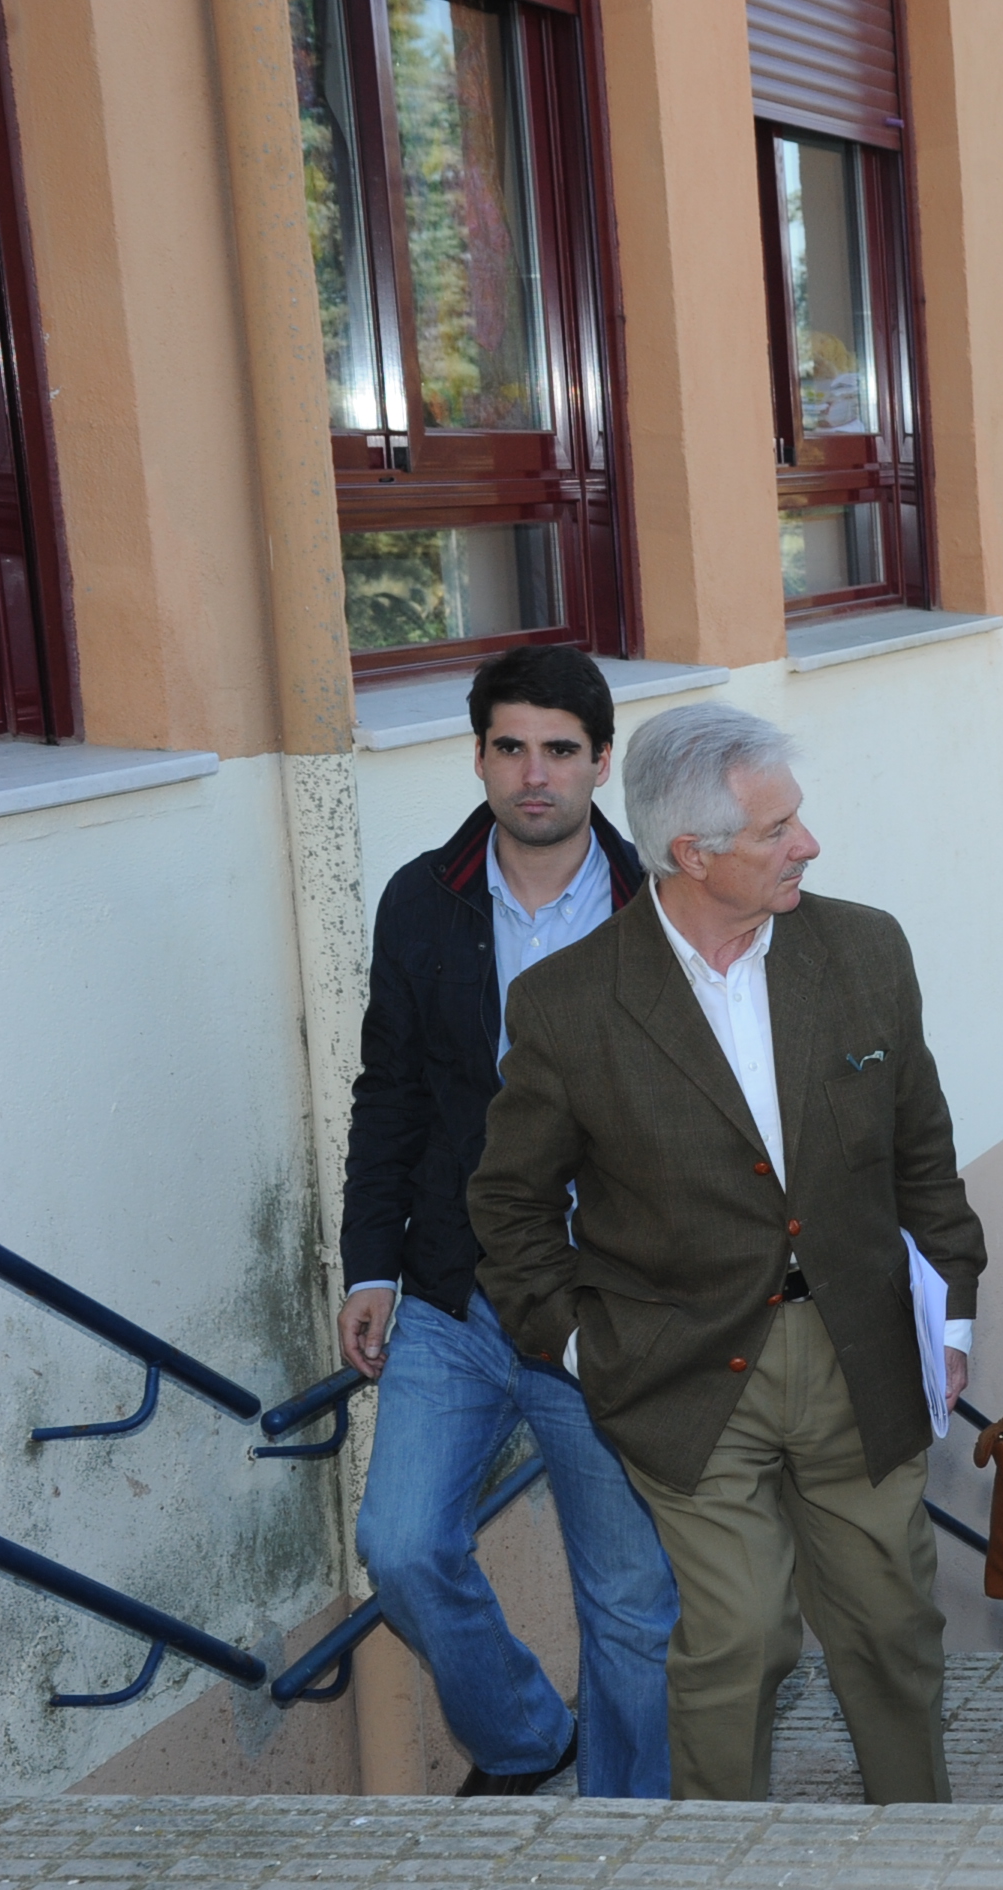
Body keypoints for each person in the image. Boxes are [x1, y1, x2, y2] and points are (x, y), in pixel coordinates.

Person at [469, 703, 987, 1805]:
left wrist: (948, 1318)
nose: (807, 843)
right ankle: (716, 1884)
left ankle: (923, 1853)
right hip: (684, 1368)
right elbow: (508, 1202)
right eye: (776, 830)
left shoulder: (862, 948)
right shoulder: (568, 1004)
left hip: (859, 1348)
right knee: (740, 1634)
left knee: (894, 1622)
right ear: (692, 854)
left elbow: (921, 1147)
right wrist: (572, 1345)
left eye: (796, 820)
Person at [337, 645, 676, 1799]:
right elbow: (388, 1094)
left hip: (606, 1301)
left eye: (560, 751)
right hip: (454, 1291)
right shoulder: (420, 902)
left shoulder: (659, 910)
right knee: (403, 1545)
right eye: (510, 747)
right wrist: (368, 1265)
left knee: (630, 1597)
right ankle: (532, 1738)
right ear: (478, 754)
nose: (534, 775)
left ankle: (628, 1831)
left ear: (600, 762)